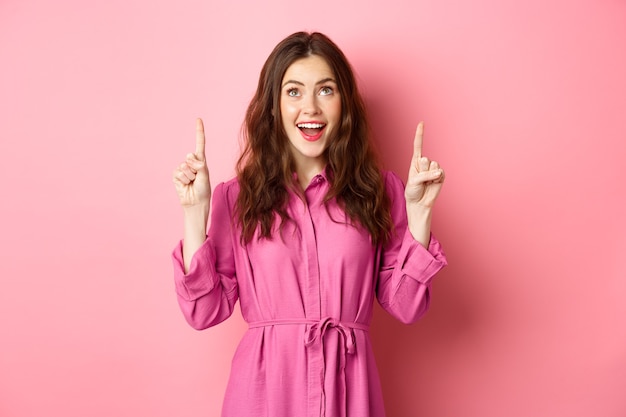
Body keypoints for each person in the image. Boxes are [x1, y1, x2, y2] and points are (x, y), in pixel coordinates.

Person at [171, 31, 447, 417]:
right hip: (264, 397)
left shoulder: (379, 191)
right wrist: (194, 212)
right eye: (294, 92)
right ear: (273, 106)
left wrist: (418, 215)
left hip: (349, 395)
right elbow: (203, 311)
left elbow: (406, 307)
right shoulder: (237, 197)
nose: (311, 108)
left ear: (344, 104)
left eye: (326, 90)